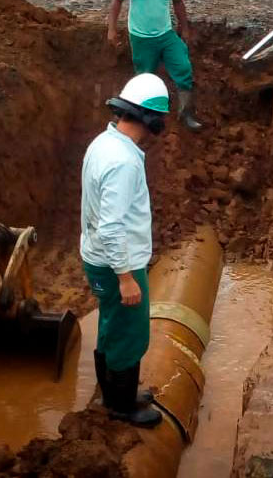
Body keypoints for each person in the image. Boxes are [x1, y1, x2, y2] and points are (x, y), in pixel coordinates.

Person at [81, 73, 170, 428]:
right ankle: (121, 406)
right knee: (131, 335)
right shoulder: (124, 162)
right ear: (151, 120)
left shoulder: (105, 142)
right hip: (116, 264)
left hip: (99, 257)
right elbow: (112, 226)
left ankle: (115, 393)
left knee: (111, 324)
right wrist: (126, 277)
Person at [107, 0, 202, 131]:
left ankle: (185, 113)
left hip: (166, 34)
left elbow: (178, 2)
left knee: (183, 67)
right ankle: (141, 117)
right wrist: (112, 29)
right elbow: (117, 1)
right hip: (141, 37)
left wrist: (184, 28)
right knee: (144, 77)